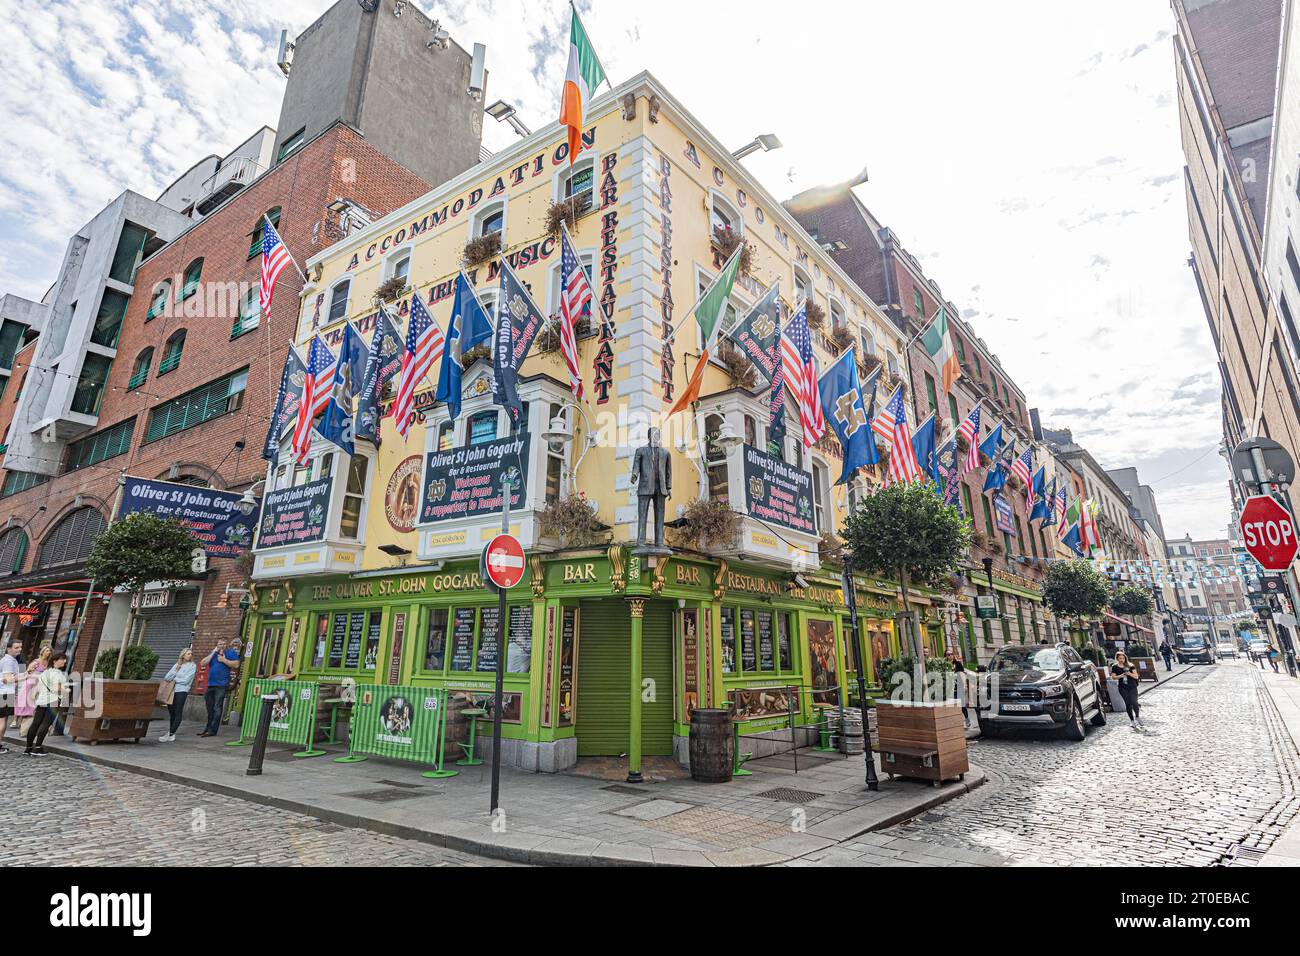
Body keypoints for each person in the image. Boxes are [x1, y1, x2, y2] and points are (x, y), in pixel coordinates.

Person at [24, 649, 68, 756]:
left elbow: (39, 688)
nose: (64, 661)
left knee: (36, 723)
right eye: (62, 659)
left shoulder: (44, 673)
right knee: (46, 724)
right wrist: (66, 690)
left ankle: (28, 748)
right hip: (53, 701)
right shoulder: (59, 674)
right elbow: (57, 689)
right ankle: (37, 748)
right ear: (54, 661)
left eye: (65, 660)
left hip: (42, 700)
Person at [199, 639, 241, 738]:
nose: (221, 646)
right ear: (217, 645)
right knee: (209, 708)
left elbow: (236, 664)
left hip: (221, 685)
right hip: (210, 684)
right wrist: (213, 652)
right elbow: (203, 663)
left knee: (217, 707)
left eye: (223, 644)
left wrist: (224, 660)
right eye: (219, 644)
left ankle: (213, 730)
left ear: (227, 645)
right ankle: (207, 728)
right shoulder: (213, 653)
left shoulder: (230, 653)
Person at [159, 648, 196, 742]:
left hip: (182, 691)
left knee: (178, 711)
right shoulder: (177, 664)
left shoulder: (192, 666)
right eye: (188, 654)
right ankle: (171, 733)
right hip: (171, 691)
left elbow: (186, 681)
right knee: (172, 712)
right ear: (183, 655)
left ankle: (171, 733)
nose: (190, 655)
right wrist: (176, 670)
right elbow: (167, 677)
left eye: (191, 654)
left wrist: (175, 680)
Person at [15, 644, 51, 738]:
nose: (48, 652)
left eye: (49, 651)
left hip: (41, 686)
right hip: (31, 685)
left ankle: (28, 729)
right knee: (26, 705)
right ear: (42, 652)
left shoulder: (48, 663)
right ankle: (19, 724)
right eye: (47, 650)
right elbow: (28, 671)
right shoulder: (36, 661)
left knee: (35, 707)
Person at [0, 639, 22, 751]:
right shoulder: (8, 661)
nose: (19, 649)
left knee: (3, 720)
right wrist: (24, 676)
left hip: (6, 693)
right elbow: (7, 679)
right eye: (16, 647)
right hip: (5, 694)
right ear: (9, 649)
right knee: (2, 721)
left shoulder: (12, 660)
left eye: (20, 647)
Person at [1110, 651, 1142, 729]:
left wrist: (1129, 674)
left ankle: (1137, 716)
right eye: (1120, 658)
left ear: (1125, 658)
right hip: (1122, 687)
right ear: (1117, 658)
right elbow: (1113, 677)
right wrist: (1121, 676)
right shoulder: (1115, 667)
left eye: (1123, 658)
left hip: (1132, 686)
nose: (1122, 659)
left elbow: (1136, 676)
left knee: (1134, 702)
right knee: (1127, 703)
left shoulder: (1130, 666)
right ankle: (1132, 721)